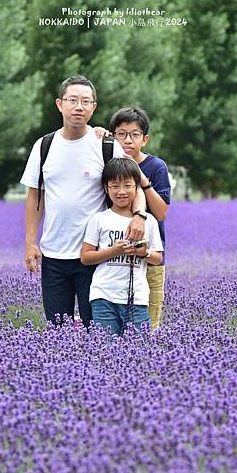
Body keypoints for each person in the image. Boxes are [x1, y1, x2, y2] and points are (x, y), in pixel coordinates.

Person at [20, 75, 147, 329]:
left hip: (93, 255)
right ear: (59, 104)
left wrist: (139, 216)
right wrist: (30, 243)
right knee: (57, 329)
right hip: (54, 254)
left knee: (97, 330)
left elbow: (137, 186)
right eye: (73, 100)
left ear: (94, 107)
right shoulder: (44, 146)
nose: (79, 106)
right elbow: (35, 196)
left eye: (85, 101)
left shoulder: (106, 144)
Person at [81, 158, 163, 336]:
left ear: (136, 188)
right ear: (106, 188)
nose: (121, 192)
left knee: (140, 350)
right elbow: (85, 257)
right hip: (103, 296)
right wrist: (114, 251)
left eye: (127, 185)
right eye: (115, 186)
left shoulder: (148, 222)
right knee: (105, 351)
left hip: (137, 298)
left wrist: (144, 253)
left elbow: (158, 258)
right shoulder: (99, 219)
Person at [108, 107, 171, 330]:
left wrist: (141, 177)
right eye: (122, 134)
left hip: (150, 259)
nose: (128, 140)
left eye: (134, 134)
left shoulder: (156, 167)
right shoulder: (108, 163)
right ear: (112, 136)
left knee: (148, 326)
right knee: (110, 325)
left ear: (144, 139)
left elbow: (161, 212)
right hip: (113, 260)